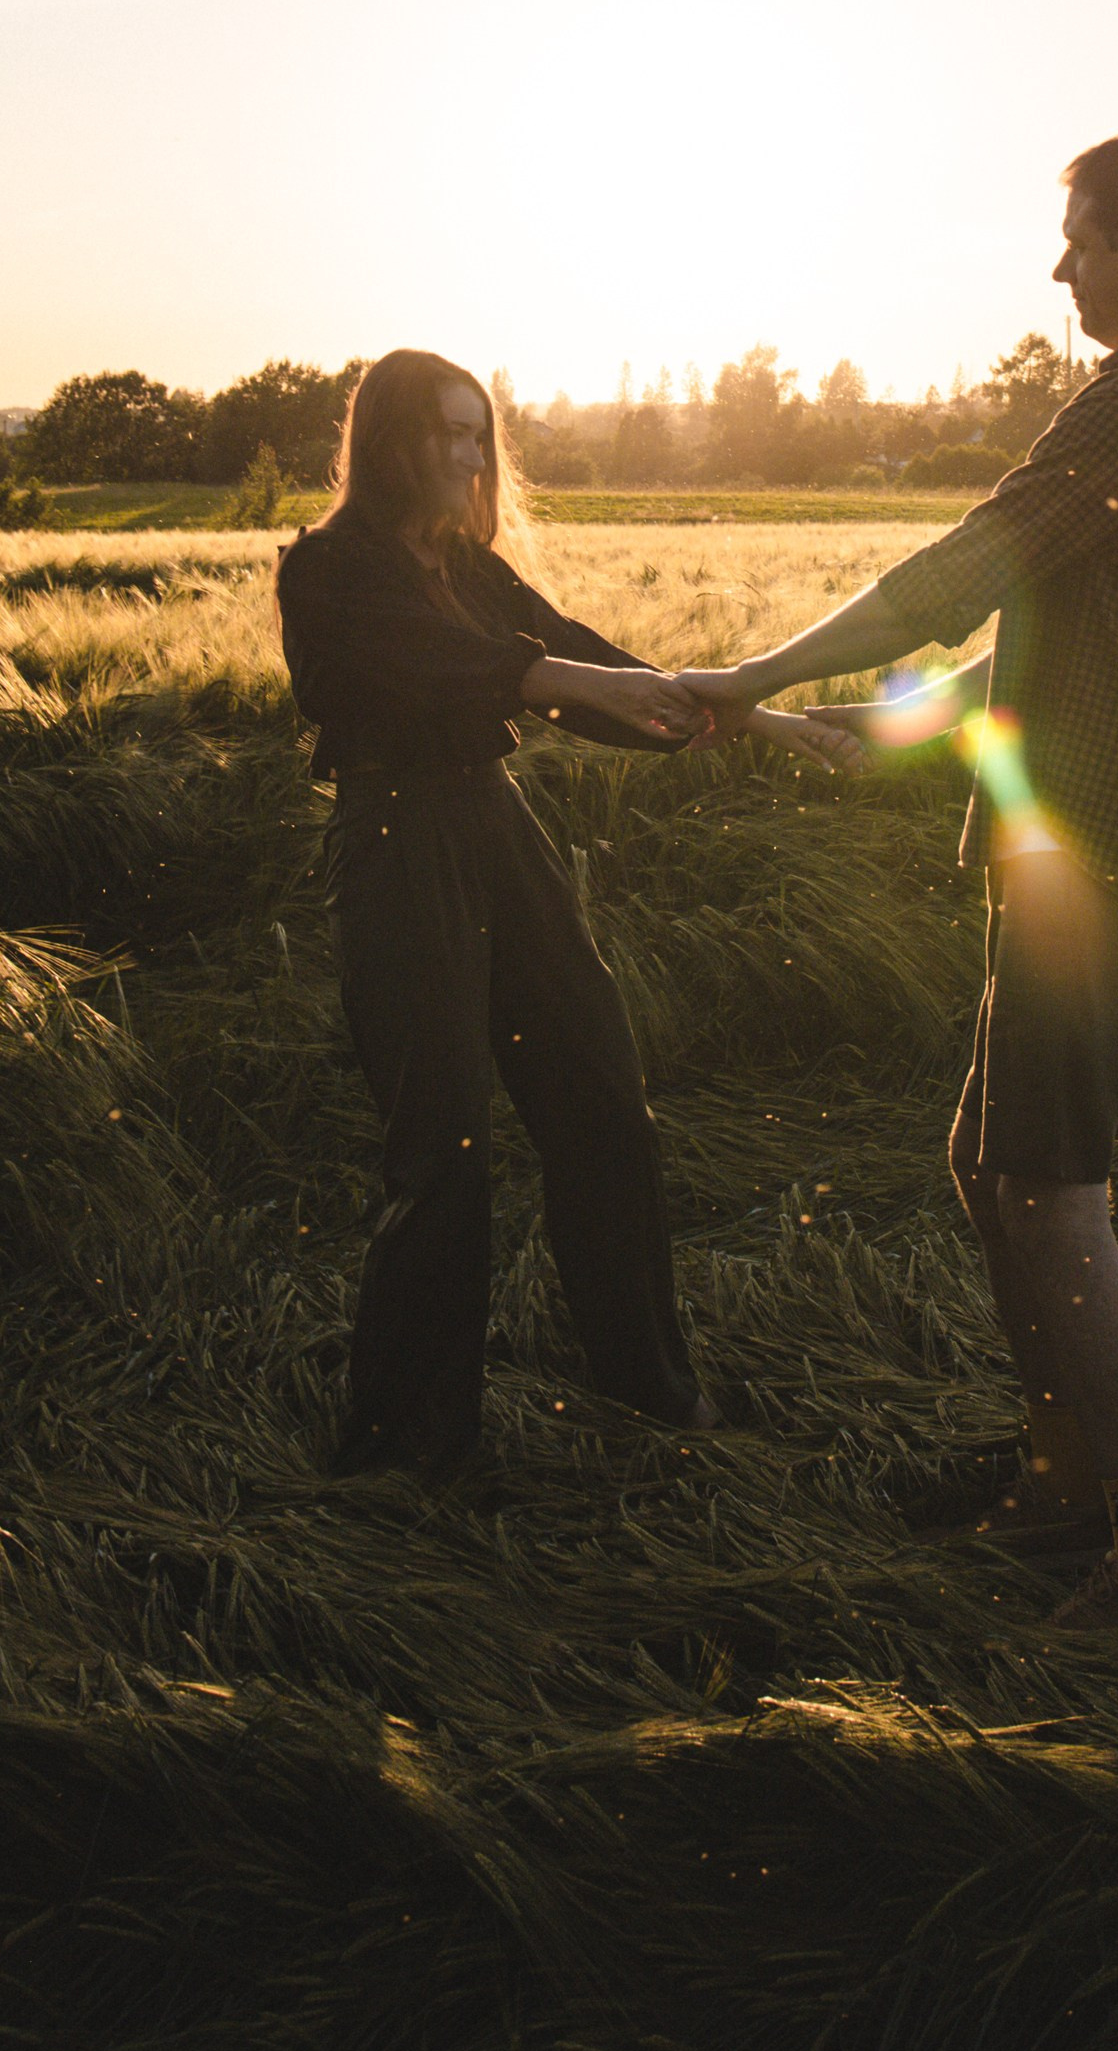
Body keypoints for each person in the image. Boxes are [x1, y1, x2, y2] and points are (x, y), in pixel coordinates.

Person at [681, 133, 1118, 1635]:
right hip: (1102, 855)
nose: (1059, 266)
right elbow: (1043, 632)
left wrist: (749, 670)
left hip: (1103, 861)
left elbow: (965, 569)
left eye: (1079, 238)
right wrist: (881, 730)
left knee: (1051, 1193)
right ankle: (1068, 1470)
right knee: (985, 1164)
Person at [277, 347, 844, 1478]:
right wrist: (574, 683)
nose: (464, 452)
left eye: (477, 432)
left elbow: (580, 660)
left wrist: (741, 715)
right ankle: (407, 1451)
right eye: (442, 430)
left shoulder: (470, 568)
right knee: (442, 1148)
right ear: (384, 440)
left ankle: (645, 1382)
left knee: (602, 1104)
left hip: (495, 828)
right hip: (396, 847)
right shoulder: (327, 568)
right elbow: (463, 670)